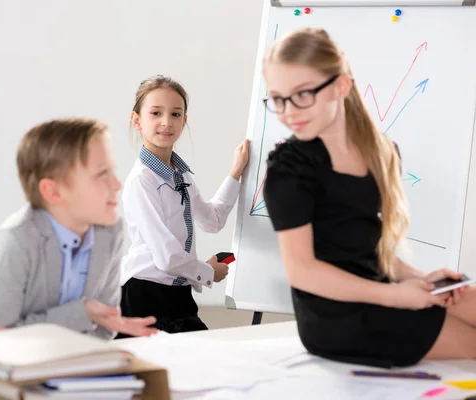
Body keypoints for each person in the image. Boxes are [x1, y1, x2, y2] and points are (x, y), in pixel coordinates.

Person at [262, 27, 476, 367]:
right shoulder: (288, 171)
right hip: (337, 320)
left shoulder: (382, 153)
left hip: (383, 292)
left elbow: (368, 250)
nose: (288, 111)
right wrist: (396, 296)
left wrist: (420, 281)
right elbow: (302, 271)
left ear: (341, 85)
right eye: (277, 98)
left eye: (302, 94)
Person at [0, 118, 157, 339]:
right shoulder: (14, 243)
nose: (117, 184)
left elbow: (105, 328)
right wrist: (82, 313)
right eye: (101, 174)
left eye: (112, 171)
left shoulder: (110, 232)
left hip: (73, 365)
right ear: (53, 192)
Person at [119, 75, 250, 335]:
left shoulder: (181, 175)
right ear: (137, 120)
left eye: (176, 114)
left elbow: (212, 221)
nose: (166, 122)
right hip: (145, 294)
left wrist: (236, 171)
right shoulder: (141, 180)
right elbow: (167, 256)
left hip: (178, 294)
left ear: (184, 121)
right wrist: (207, 271)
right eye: (155, 113)